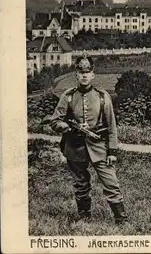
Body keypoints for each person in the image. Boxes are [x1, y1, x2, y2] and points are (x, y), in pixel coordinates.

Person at [48, 53, 128, 224]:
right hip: (75, 147)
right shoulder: (68, 96)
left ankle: (121, 220)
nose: (84, 75)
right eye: (80, 72)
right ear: (76, 74)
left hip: (99, 146)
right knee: (81, 184)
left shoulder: (102, 96)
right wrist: (67, 127)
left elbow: (112, 126)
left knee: (111, 183)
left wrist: (112, 151)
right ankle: (84, 217)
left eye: (87, 72)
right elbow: (54, 121)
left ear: (93, 74)